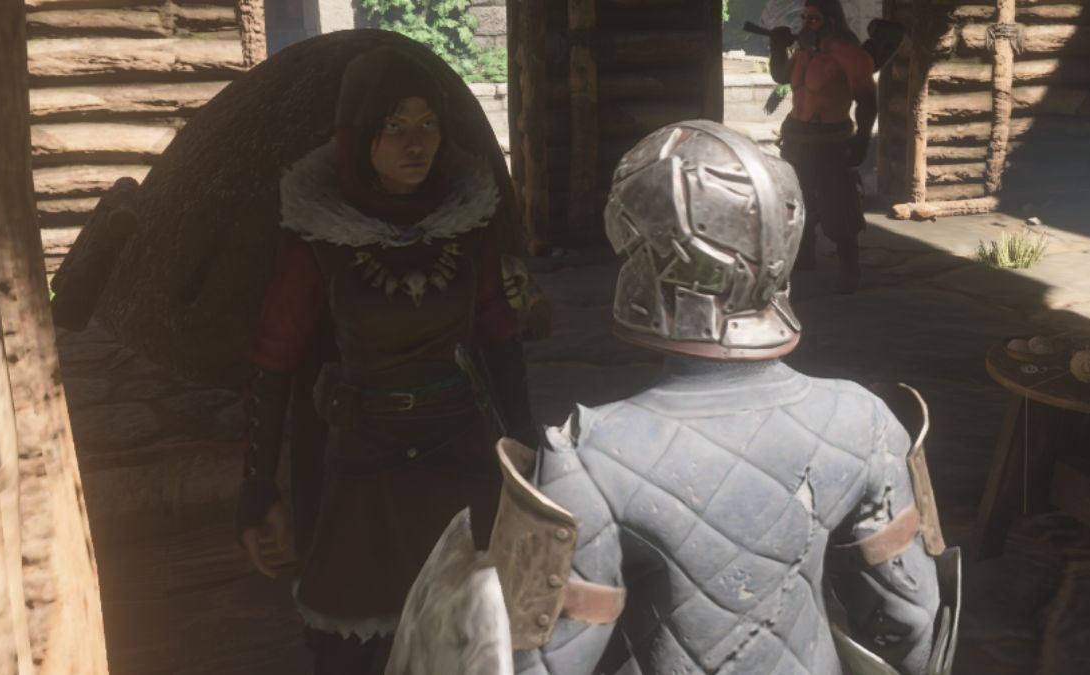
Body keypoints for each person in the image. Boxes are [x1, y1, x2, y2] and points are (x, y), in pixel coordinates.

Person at [387, 121, 959, 675]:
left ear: (644, 256)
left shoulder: (585, 458)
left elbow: (540, 663)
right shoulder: (867, 420)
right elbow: (912, 621)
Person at [234, 46, 537, 675]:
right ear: (358, 135)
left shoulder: (469, 221)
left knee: (471, 640)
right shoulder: (318, 234)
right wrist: (259, 486)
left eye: (427, 124)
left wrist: (527, 450)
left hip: (458, 454)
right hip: (365, 463)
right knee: (350, 643)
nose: (415, 143)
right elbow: (275, 356)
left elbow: (498, 334)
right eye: (394, 126)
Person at [770, 0, 877, 294]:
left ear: (831, 21)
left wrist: (862, 139)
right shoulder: (803, 52)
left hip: (830, 143)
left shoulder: (850, 54)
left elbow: (867, 101)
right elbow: (782, 77)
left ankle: (850, 268)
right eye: (804, 17)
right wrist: (776, 47)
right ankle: (804, 255)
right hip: (796, 140)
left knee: (838, 206)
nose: (806, 24)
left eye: (813, 19)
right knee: (796, 201)